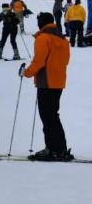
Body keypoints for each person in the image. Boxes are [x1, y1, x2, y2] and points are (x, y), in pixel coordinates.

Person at [21, 13, 72, 161]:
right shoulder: (62, 39)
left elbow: (39, 61)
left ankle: (52, 149)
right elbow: (66, 60)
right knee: (53, 115)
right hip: (58, 81)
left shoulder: (43, 38)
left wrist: (26, 72)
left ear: (41, 23)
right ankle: (60, 148)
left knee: (47, 117)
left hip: (46, 82)